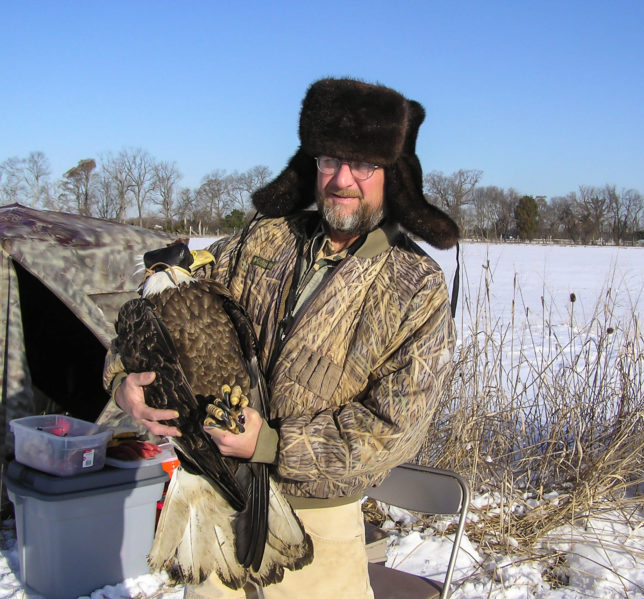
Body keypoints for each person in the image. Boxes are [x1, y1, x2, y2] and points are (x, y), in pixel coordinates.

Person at [106, 77, 459, 598]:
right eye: (328, 161)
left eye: (362, 164)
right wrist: (123, 382)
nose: (341, 180)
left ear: (394, 175)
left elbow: (394, 428)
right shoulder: (263, 240)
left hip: (316, 523)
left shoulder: (415, 286)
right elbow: (167, 311)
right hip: (215, 495)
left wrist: (270, 444)